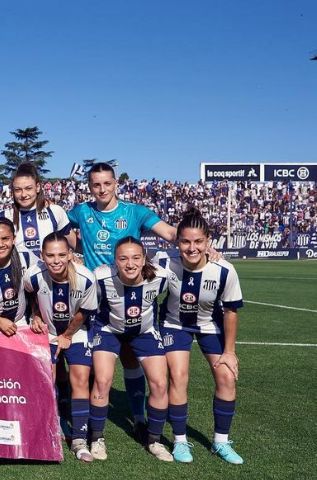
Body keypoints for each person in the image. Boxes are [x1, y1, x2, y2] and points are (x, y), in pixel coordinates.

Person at [66, 162, 179, 437]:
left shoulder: (134, 212)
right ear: (89, 186)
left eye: (107, 183)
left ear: (116, 183)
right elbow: (64, 234)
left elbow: (171, 233)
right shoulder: (82, 211)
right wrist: (77, 249)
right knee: (93, 362)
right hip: (96, 296)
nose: (102, 189)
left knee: (130, 358)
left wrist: (203, 245)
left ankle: (138, 416)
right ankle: (84, 419)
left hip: (131, 293)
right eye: (96, 184)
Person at [156, 209, 244, 464]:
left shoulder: (224, 270)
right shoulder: (164, 261)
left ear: (208, 242)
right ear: (177, 242)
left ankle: (221, 441)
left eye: (198, 242)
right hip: (174, 325)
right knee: (179, 376)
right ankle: (180, 441)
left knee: (227, 376)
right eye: (185, 241)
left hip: (211, 326)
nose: (191, 248)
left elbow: (230, 312)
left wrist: (229, 351)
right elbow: (134, 266)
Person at [89, 237, 173, 462]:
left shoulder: (161, 276)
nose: (130, 264)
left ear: (144, 258)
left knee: (159, 383)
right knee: (103, 380)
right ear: (114, 261)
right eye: (123, 258)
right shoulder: (101, 277)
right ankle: (96, 437)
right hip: (108, 330)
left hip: (144, 332)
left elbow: (185, 262)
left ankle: (154, 440)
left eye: (136, 258)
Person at [26, 232, 97, 462]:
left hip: (75, 333)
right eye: (50, 255)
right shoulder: (34, 275)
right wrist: (35, 314)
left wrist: (67, 335)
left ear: (70, 255)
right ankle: (51, 430)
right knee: (48, 381)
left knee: (80, 380)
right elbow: (28, 295)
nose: (56, 260)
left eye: (61, 255)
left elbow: (82, 313)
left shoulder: (85, 278)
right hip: (47, 333)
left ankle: (79, 440)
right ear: (41, 256)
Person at [0, 163, 71, 256]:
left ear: (37, 187)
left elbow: (73, 244)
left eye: (28, 188)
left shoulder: (55, 211)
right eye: (18, 190)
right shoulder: (4, 216)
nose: (23, 194)